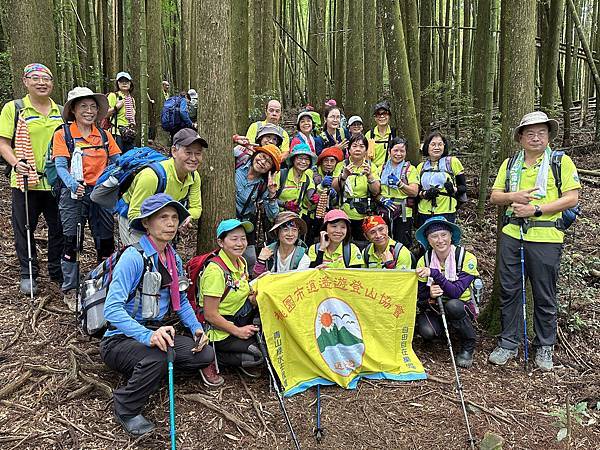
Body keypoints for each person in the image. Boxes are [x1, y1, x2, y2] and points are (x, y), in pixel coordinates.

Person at [101, 194, 214, 436]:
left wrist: (196, 328)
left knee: (204, 353)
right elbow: (111, 310)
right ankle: (127, 407)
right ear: (146, 223)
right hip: (119, 339)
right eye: (163, 217)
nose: (171, 223)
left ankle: (149, 368)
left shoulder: (173, 257)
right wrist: (147, 337)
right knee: (159, 357)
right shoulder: (133, 257)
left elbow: (180, 299)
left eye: (174, 218)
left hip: (155, 332)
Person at [487, 111, 581, 371]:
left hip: (547, 237)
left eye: (541, 133)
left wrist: (537, 210)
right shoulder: (510, 164)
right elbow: (495, 196)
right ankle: (508, 342)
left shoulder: (560, 162)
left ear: (549, 136)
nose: (536, 138)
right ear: (520, 138)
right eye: (530, 133)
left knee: (544, 293)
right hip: (512, 235)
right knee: (510, 290)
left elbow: (571, 198)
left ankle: (545, 346)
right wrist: (513, 196)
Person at [53, 87, 121, 310]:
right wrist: (73, 184)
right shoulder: (63, 134)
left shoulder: (103, 135)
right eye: (84, 106)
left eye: (93, 107)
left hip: (101, 193)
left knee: (105, 239)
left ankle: (105, 283)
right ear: (73, 109)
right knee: (71, 240)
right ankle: (70, 289)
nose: (89, 111)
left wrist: (112, 181)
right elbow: (61, 165)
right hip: (73, 194)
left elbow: (118, 161)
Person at [0, 63, 65, 295]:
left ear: (52, 83)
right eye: (35, 78)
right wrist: (17, 163)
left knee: (59, 227)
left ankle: (57, 270)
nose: (41, 82)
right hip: (25, 180)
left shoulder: (61, 110)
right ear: (25, 81)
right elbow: (3, 143)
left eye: (46, 78)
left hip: (56, 181)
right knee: (25, 227)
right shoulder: (15, 108)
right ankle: (28, 272)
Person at [198, 219, 264, 380]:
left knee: (267, 346)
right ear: (221, 242)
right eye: (234, 239)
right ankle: (211, 357)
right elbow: (210, 315)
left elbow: (242, 290)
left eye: (243, 238)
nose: (240, 243)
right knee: (258, 356)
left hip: (238, 314)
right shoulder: (215, 271)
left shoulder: (240, 261)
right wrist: (238, 331)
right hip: (218, 329)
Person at [118, 128, 208, 245]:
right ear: (174, 151)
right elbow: (134, 214)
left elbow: (196, 208)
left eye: (198, 153)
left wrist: (186, 218)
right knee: (142, 259)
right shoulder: (152, 176)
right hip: (135, 224)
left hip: (163, 223)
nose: (193, 158)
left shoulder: (194, 176)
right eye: (188, 152)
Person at [414, 216, 479, 369]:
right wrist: (429, 293)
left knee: (453, 305)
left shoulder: (466, 258)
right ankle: (445, 330)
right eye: (434, 236)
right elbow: (419, 294)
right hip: (435, 306)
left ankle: (468, 344)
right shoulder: (424, 260)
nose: (440, 240)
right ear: (428, 241)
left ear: (451, 237)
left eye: (444, 235)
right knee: (427, 332)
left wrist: (435, 274)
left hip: (460, 305)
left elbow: (456, 292)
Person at [235, 144, 280, 271]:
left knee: (249, 260)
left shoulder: (263, 186)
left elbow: (273, 215)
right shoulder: (238, 162)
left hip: (243, 224)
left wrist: (272, 193)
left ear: (269, 169)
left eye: (268, 162)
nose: (262, 162)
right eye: (262, 156)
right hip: (222, 219)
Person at [332, 133, 381, 245]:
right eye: (354, 146)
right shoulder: (341, 165)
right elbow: (335, 188)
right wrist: (344, 176)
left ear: (366, 150)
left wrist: (370, 176)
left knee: (363, 244)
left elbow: (376, 190)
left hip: (364, 214)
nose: (358, 149)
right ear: (349, 149)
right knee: (344, 244)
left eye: (361, 146)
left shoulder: (371, 166)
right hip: (344, 213)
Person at [416, 131, 467, 227]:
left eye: (440, 144)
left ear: (444, 146)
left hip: (446, 211)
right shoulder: (421, 167)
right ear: (427, 146)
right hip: (424, 212)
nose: (436, 147)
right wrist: (425, 194)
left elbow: (463, 187)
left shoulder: (452, 162)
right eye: (433, 144)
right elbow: (416, 191)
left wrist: (453, 189)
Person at [378, 137, 419, 247]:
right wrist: (381, 199)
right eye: (395, 150)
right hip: (385, 210)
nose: (398, 154)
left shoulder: (410, 169)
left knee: (402, 244)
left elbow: (414, 192)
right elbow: (375, 191)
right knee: (383, 242)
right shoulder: (381, 169)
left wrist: (400, 184)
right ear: (389, 151)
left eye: (402, 151)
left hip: (403, 213)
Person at [253, 211, 311, 277]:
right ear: (276, 232)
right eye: (285, 229)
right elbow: (256, 279)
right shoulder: (268, 253)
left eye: (294, 230)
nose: (290, 234)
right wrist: (261, 260)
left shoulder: (303, 259)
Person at [274, 143, 317, 223]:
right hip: (277, 218)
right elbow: (269, 198)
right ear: (293, 159)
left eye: (307, 159)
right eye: (300, 158)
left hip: (296, 219)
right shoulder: (281, 175)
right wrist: (285, 204)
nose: (303, 162)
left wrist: (314, 199)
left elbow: (309, 200)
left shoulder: (308, 179)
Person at [309, 145, 344, 241]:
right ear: (321, 162)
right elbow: (310, 198)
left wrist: (333, 196)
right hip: (313, 215)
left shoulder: (337, 175)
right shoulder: (313, 173)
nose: (329, 164)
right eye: (326, 160)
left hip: (329, 216)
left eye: (332, 161)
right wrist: (321, 186)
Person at [106, 71, 136, 153]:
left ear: (130, 83)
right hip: (116, 132)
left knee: (129, 158)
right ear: (117, 83)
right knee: (118, 157)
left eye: (126, 81)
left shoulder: (131, 99)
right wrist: (116, 107)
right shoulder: (113, 96)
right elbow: (105, 114)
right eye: (121, 81)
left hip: (128, 133)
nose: (124, 83)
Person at [365, 101, 395, 167]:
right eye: (378, 114)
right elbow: (366, 157)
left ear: (389, 116)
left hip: (390, 169)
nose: (381, 116)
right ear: (375, 118)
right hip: (373, 170)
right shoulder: (369, 135)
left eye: (384, 113)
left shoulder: (394, 134)